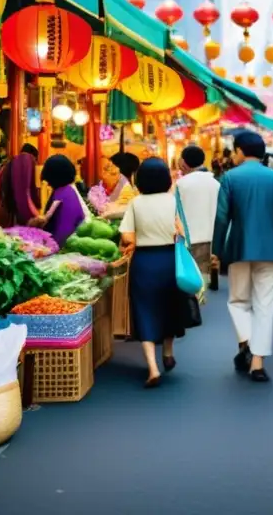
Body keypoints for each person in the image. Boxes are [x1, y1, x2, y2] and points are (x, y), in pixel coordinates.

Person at [213, 130, 273, 383]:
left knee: (238, 300)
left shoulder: (230, 178)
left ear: (239, 151)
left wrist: (216, 250)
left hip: (239, 247)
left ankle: (246, 341)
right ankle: (257, 363)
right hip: (271, 250)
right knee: (265, 303)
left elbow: (221, 217)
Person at [119, 157, 185, 388]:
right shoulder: (172, 201)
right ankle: (167, 352)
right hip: (169, 260)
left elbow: (127, 236)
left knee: (144, 310)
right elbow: (182, 232)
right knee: (169, 305)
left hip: (144, 262)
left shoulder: (136, 203)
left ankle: (152, 367)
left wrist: (135, 239)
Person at [174, 145, 220, 292]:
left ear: (184, 162)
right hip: (211, 236)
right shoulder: (216, 183)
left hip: (189, 237)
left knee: (191, 277)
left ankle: (194, 308)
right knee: (204, 277)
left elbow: (176, 211)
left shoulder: (181, 184)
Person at [31, 155, 89, 248]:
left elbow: (63, 233)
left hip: (65, 249)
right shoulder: (64, 190)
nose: (47, 182)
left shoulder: (64, 194)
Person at [0, 143, 40, 227]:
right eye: (35, 160)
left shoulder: (8, 164)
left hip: (4, 209)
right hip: (14, 215)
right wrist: (37, 215)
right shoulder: (24, 163)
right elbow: (24, 193)